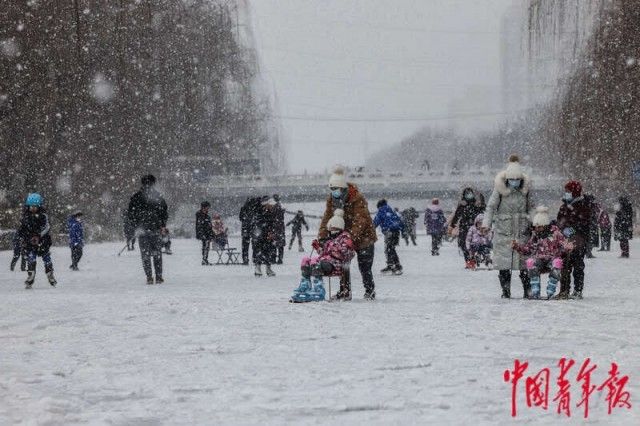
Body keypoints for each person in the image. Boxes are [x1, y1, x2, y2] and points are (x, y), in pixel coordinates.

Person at [318, 166, 377, 300]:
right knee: (342, 263)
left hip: (364, 237)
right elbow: (327, 218)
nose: (333, 192)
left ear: (343, 188)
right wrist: (322, 237)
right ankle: (345, 291)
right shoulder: (332, 200)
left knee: (365, 266)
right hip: (343, 236)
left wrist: (351, 237)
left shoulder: (357, 198)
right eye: (331, 189)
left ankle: (370, 290)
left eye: (335, 189)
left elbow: (360, 220)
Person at [482, 155, 532, 299]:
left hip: (522, 231)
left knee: (524, 263)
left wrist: (536, 222)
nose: (514, 182)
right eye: (512, 179)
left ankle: (527, 291)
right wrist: (486, 223)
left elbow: (532, 207)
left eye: (517, 179)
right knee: (504, 264)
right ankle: (506, 291)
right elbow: (490, 207)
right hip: (504, 231)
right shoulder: (499, 190)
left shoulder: (526, 191)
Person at [290, 210, 355, 303]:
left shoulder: (345, 238)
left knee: (318, 264)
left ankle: (318, 288)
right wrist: (317, 247)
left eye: (331, 229)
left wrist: (334, 250)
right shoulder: (330, 240)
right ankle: (305, 285)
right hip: (326, 262)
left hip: (336, 265)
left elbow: (347, 254)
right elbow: (324, 253)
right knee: (306, 261)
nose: (329, 231)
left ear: (336, 228)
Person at [512, 206, 574, 299]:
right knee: (531, 262)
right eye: (535, 227)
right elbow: (528, 249)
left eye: (539, 227)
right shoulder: (536, 236)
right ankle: (535, 290)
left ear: (545, 225)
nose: (537, 229)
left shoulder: (555, 233)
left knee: (556, 263)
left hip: (552, 258)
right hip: (540, 259)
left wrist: (567, 247)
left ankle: (551, 290)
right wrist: (517, 247)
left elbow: (563, 245)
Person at [127, 174, 168, 285]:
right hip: (155, 228)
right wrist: (163, 225)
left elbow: (131, 214)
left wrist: (136, 226)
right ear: (153, 183)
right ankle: (158, 276)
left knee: (145, 255)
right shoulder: (158, 196)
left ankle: (149, 277)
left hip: (142, 230)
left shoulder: (136, 197)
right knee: (157, 254)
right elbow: (164, 212)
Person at [555, 180, 591, 299]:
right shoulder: (564, 206)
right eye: (566, 191)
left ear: (574, 192)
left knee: (578, 265)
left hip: (579, 240)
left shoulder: (583, 206)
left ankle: (578, 290)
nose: (566, 193)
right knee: (565, 265)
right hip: (565, 241)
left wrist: (574, 230)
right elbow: (559, 221)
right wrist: (561, 228)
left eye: (568, 191)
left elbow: (585, 223)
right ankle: (564, 289)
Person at [19, 193, 57, 288]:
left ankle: (50, 274)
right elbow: (22, 229)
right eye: (31, 206)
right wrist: (24, 237)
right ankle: (31, 275)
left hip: (42, 241)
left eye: (35, 206)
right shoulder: (25, 217)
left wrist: (39, 235)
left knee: (46, 257)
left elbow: (47, 227)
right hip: (30, 242)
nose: (33, 208)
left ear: (39, 206)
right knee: (31, 259)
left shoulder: (43, 216)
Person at [450, 187, 484, 269]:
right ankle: (468, 261)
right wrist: (452, 225)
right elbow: (457, 216)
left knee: (474, 245)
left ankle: (472, 260)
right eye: (467, 193)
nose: (469, 195)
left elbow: (483, 210)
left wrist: (482, 200)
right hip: (464, 227)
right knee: (464, 245)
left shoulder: (476, 204)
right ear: (464, 195)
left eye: (470, 193)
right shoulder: (462, 205)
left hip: (474, 228)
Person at [374, 199, 404, 275]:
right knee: (391, 248)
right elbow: (400, 221)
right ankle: (396, 265)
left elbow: (375, 222)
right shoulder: (392, 211)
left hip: (389, 231)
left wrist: (370, 229)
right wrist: (403, 230)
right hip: (396, 231)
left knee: (389, 249)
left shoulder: (381, 211)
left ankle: (392, 266)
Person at [253, 196, 277, 277]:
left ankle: (268, 268)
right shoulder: (259, 212)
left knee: (268, 252)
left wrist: (271, 232)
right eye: (270, 204)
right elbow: (259, 224)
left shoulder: (270, 212)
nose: (272, 206)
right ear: (266, 204)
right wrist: (266, 232)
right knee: (259, 252)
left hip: (268, 236)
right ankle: (258, 268)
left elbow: (271, 224)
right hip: (260, 236)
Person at [239, 197, 260, 265]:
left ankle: (245, 259)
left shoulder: (244, 208)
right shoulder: (255, 208)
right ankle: (255, 259)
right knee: (255, 245)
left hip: (245, 228)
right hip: (253, 228)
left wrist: (246, 221)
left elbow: (241, 218)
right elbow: (257, 218)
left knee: (245, 246)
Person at [272, 194, 286, 264]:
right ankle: (280, 259)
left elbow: (272, 216)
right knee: (280, 245)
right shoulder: (281, 206)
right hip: (280, 228)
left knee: (274, 244)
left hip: (275, 228)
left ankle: (274, 259)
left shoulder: (274, 206)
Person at [584, 194, 599, 258]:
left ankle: (588, 252)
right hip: (590, 226)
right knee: (590, 240)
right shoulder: (590, 206)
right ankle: (588, 253)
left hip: (589, 226)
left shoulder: (588, 206)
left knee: (589, 239)